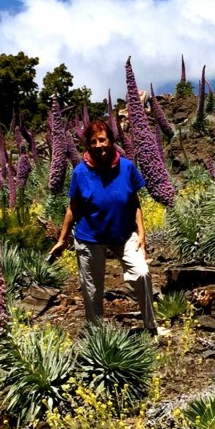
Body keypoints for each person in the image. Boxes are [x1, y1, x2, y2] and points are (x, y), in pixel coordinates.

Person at [50, 118, 165, 336]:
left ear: (111, 140)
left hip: (123, 235)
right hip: (89, 237)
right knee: (92, 290)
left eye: (102, 140)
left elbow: (134, 202)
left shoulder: (127, 167)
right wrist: (62, 240)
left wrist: (141, 233)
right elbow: (72, 208)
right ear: (88, 145)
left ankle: (150, 326)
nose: (98, 146)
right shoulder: (81, 172)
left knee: (142, 273)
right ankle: (97, 336)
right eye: (93, 142)